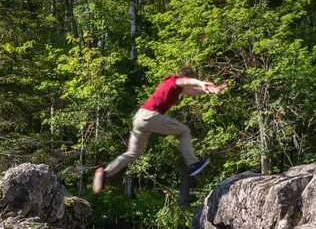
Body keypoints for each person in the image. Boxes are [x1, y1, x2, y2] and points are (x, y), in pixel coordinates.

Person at [93, 65, 226, 193]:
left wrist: (211, 90)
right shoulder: (177, 80)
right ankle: (193, 164)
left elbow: (192, 91)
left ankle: (105, 173)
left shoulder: (171, 83)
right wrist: (201, 82)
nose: (190, 86)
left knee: (133, 152)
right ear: (188, 77)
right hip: (150, 117)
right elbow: (186, 81)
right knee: (184, 131)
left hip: (139, 119)